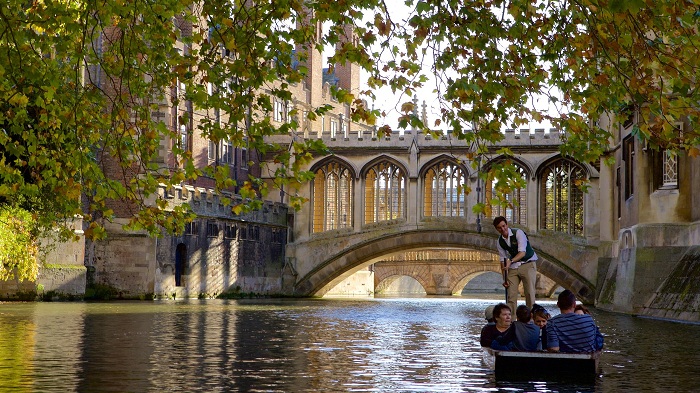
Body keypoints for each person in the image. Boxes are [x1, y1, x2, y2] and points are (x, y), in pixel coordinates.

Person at [493, 216, 538, 313]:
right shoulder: (500, 241)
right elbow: (502, 261)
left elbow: (522, 253)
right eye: (499, 228)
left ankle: (529, 319)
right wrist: (504, 279)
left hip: (528, 263)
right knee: (511, 294)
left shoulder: (518, 233)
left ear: (507, 225)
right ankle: (511, 320)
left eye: (504, 226)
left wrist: (510, 261)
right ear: (496, 229)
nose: (503, 229)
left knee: (529, 293)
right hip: (513, 266)